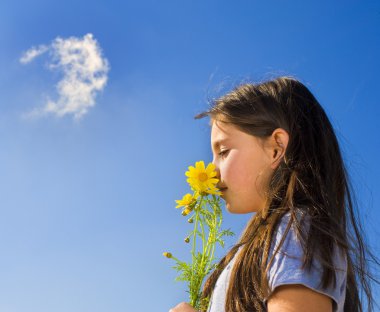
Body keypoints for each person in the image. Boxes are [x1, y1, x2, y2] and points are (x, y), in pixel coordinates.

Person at [169, 76, 379, 312]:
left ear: (276, 148)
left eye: (224, 151)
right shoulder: (267, 241)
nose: (213, 171)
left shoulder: (295, 231)